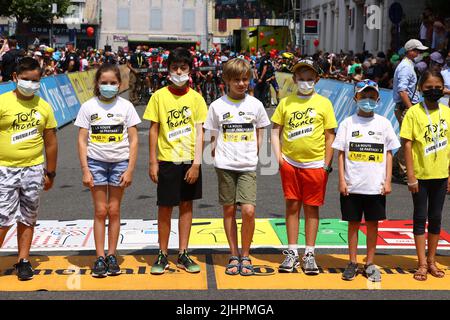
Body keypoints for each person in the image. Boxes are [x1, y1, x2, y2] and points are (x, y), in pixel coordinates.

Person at [203, 58, 270, 276]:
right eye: (236, 80)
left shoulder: (256, 104)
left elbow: (261, 130)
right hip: (224, 165)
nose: (241, 84)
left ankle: (246, 255)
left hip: (247, 165)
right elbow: (211, 133)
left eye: (244, 79)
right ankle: (234, 255)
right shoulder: (217, 105)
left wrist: (255, 152)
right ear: (226, 81)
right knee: (229, 210)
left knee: (249, 211)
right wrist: (214, 152)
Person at [144, 47, 208, 275]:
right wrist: (153, 162)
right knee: (165, 208)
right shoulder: (159, 96)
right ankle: (162, 253)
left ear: (190, 70)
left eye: (183, 68)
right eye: (174, 68)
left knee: (187, 206)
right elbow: (154, 130)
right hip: (167, 160)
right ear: (168, 70)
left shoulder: (197, 99)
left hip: (189, 160)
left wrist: (196, 164)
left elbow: (201, 133)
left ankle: (183, 252)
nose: (179, 72)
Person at [271, 59, 337, 274]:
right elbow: (275, 130)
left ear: (317, 80)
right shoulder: (286, 102)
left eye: (310, 79)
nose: (305, 83)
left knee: (311, 208)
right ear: (294, 79)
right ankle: (291, 252)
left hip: (316, 164)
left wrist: (326, 165)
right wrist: (279, 158)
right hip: (290, 163)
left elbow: (330, 137)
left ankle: (309, 253)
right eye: (301, 79)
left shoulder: (324, 103)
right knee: (291, 207)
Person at [74, 63, 141, 278]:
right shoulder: (88, 107)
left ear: (120, 85)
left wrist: (130, 169)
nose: (109, 86)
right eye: (104, 83)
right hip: (96, 163)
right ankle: (100, 256)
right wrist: (85, 170)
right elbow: (82, 140)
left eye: (113, 83)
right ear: (97, 84)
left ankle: (112, 255)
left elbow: (133, 139)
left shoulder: (126, 107)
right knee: (100, 211)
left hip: (120, 163)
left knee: (114, 210)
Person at [332, 80, 400, 282]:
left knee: (372, 225)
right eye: (364, 96)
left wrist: (387, 181)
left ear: (378, 99)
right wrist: (341, 181)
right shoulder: (347, 123)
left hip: (375, 186)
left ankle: (370, 262)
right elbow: (341, 154)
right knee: (353, 224)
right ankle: (352, 261)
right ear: (356, 98)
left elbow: (389, 154)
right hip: (352, 185)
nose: (368, 100)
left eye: (372, 97)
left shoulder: (384, 123)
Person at [0, 57, 58, 280]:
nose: (30, 84)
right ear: (15, 78)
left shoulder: (43, 106)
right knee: (3, 218)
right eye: (25, 79)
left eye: (35, 80)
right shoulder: (3, 102)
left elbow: (50, 141)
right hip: (5, 168)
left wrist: (50, 172)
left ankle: (23, 260)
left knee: (28, 217)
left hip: (34, 169)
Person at [400, 70, 450, 281]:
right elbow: (407, 145)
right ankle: (421, 263)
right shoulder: (413, 113)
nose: (434, 91)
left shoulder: (447, 112)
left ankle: (432, 260)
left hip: (440, 174)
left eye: (438, 87)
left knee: (436, 218)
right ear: (420, 89)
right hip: (420, 175)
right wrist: (410, 175)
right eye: (429, 87)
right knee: (420, 217)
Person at [392, 39, 428, 181]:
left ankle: (396, 166)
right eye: (417, 51)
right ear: (410, 51)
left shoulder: (407, 65)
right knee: (408, 140)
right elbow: (402, 91)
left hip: (405, 107)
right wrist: (411, 109)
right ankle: (403, 170)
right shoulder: (406, 67)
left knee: (408, 139)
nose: (420, 53)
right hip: (406, 107)